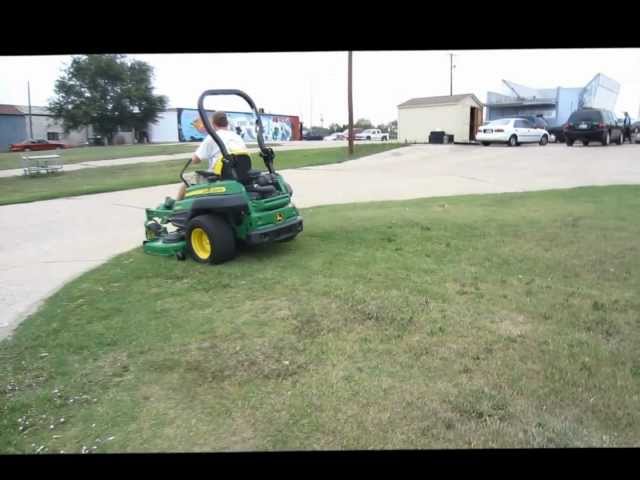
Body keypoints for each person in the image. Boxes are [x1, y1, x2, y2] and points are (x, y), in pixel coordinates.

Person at [176, 111, 247, 200]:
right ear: (227, 123)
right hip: (238, 175)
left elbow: (195, 159)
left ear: (213, 124)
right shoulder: (237, 137)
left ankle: (177, 207)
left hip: (219, 177)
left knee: (187, 180)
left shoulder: (212, 137)